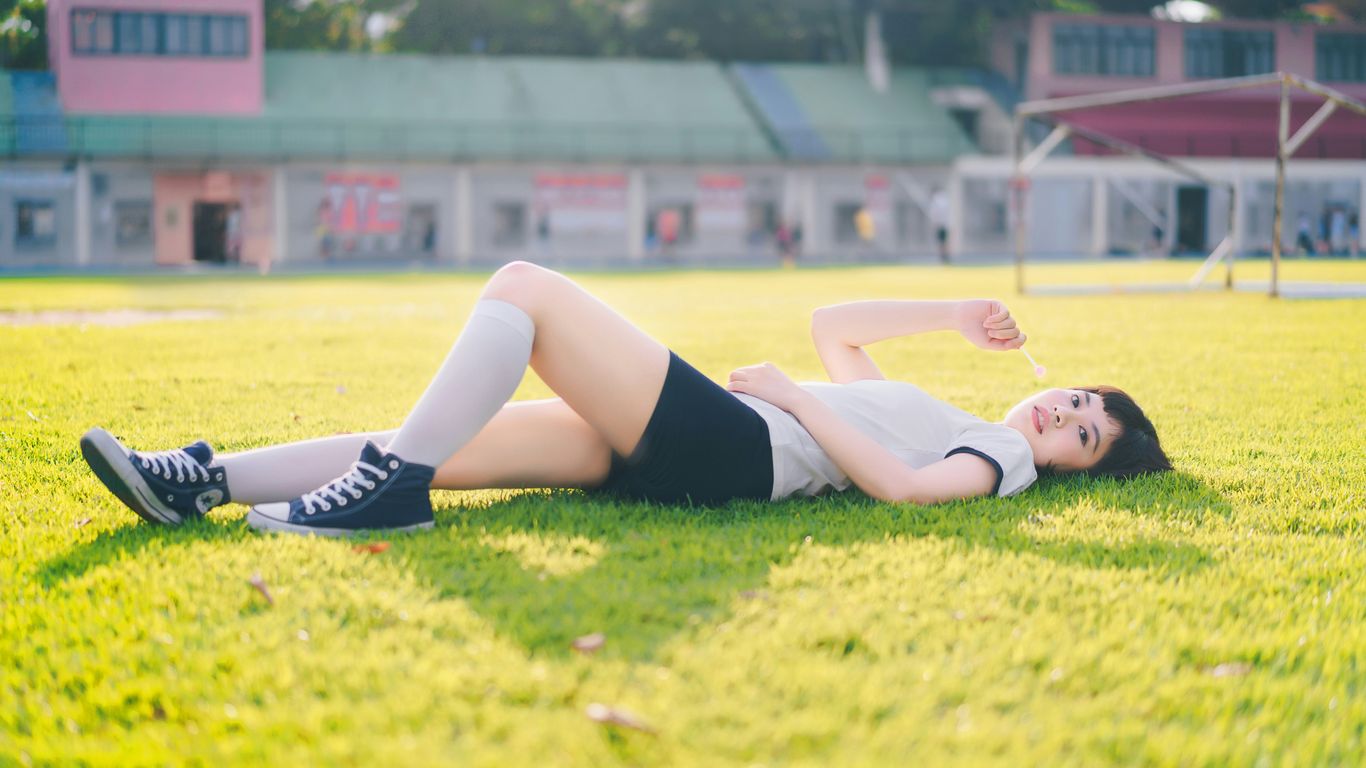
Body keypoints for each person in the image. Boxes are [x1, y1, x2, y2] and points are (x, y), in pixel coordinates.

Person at [79, 262, 1171, 538]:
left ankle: (391, 492)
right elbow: (833, 329)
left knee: (524, 290)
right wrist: (953, 312)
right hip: (716, 453)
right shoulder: (953, 416)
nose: (1063, 417)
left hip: (739, 447)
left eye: (1085, 437)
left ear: (1074, 468)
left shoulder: (999, 462)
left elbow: (901, 490)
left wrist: (793, 401)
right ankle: (202, 482)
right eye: (1078, 400)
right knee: (442, 441)